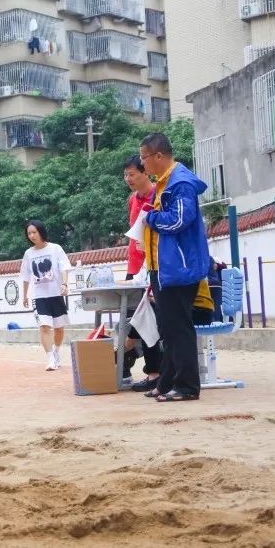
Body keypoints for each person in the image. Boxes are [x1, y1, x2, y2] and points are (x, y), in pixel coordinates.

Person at [140, 132, 211, 402]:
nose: (142, 163)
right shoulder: (164, 182)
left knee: (179, 328)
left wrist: (151, 218)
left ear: (159, 156)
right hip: (164, 267)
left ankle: (187, 387)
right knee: (169, 328)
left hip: (180, 268)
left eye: (144, 157)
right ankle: (167, 381)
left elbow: (179, 220)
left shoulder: (180, 182)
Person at [122, 155, 162, 392]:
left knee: (148, 322)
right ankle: (125, 366)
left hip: (151, 268)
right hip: (133, 269)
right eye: (125, 175)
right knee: (132, 322)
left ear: (145, 172)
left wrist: (148, 246)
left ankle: (154, 372)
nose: (128, 179)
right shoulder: (132, 200)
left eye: (132, 174)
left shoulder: (158, 194)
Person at [20, 220, 72, 371]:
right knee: (44, 327)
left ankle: (56, 352)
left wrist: (64, 284)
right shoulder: (28, 254)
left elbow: (64, 267)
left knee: (59, 329)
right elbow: (25, 276)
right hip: (39, 296)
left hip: (55, 293)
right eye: (29, 233)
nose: (31, 236)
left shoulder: (55, 249)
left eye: (34, 232)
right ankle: (50, 358)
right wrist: (25, 296)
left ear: (41, 232)